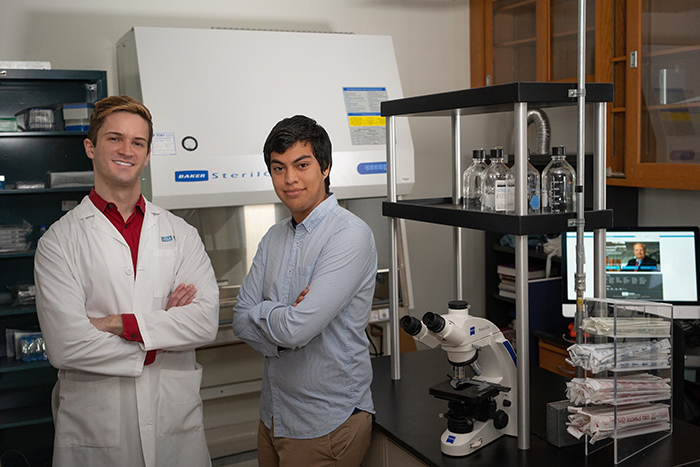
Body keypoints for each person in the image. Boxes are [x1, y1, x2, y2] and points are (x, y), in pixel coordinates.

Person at [34, 95, 219, 467]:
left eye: (138, 142)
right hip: (96, 429)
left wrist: (119, 324)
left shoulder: (180, 233)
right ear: (90, 146)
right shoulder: (59, 241)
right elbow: (66, 346)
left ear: (148, 154)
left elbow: (204, 321)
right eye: (114, 138)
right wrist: (162, 334)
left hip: (173, 422)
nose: (127, 150)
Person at [232, 115, 377, 467]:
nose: (290, 179)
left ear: (325, 167)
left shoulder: (349, 235)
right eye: (278, 168)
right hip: (273, 415)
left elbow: (297, 328)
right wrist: (285, 319)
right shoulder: (273, 237)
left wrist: (265, 311)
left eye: (302, 165)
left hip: (326, 423)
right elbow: (239, 319)